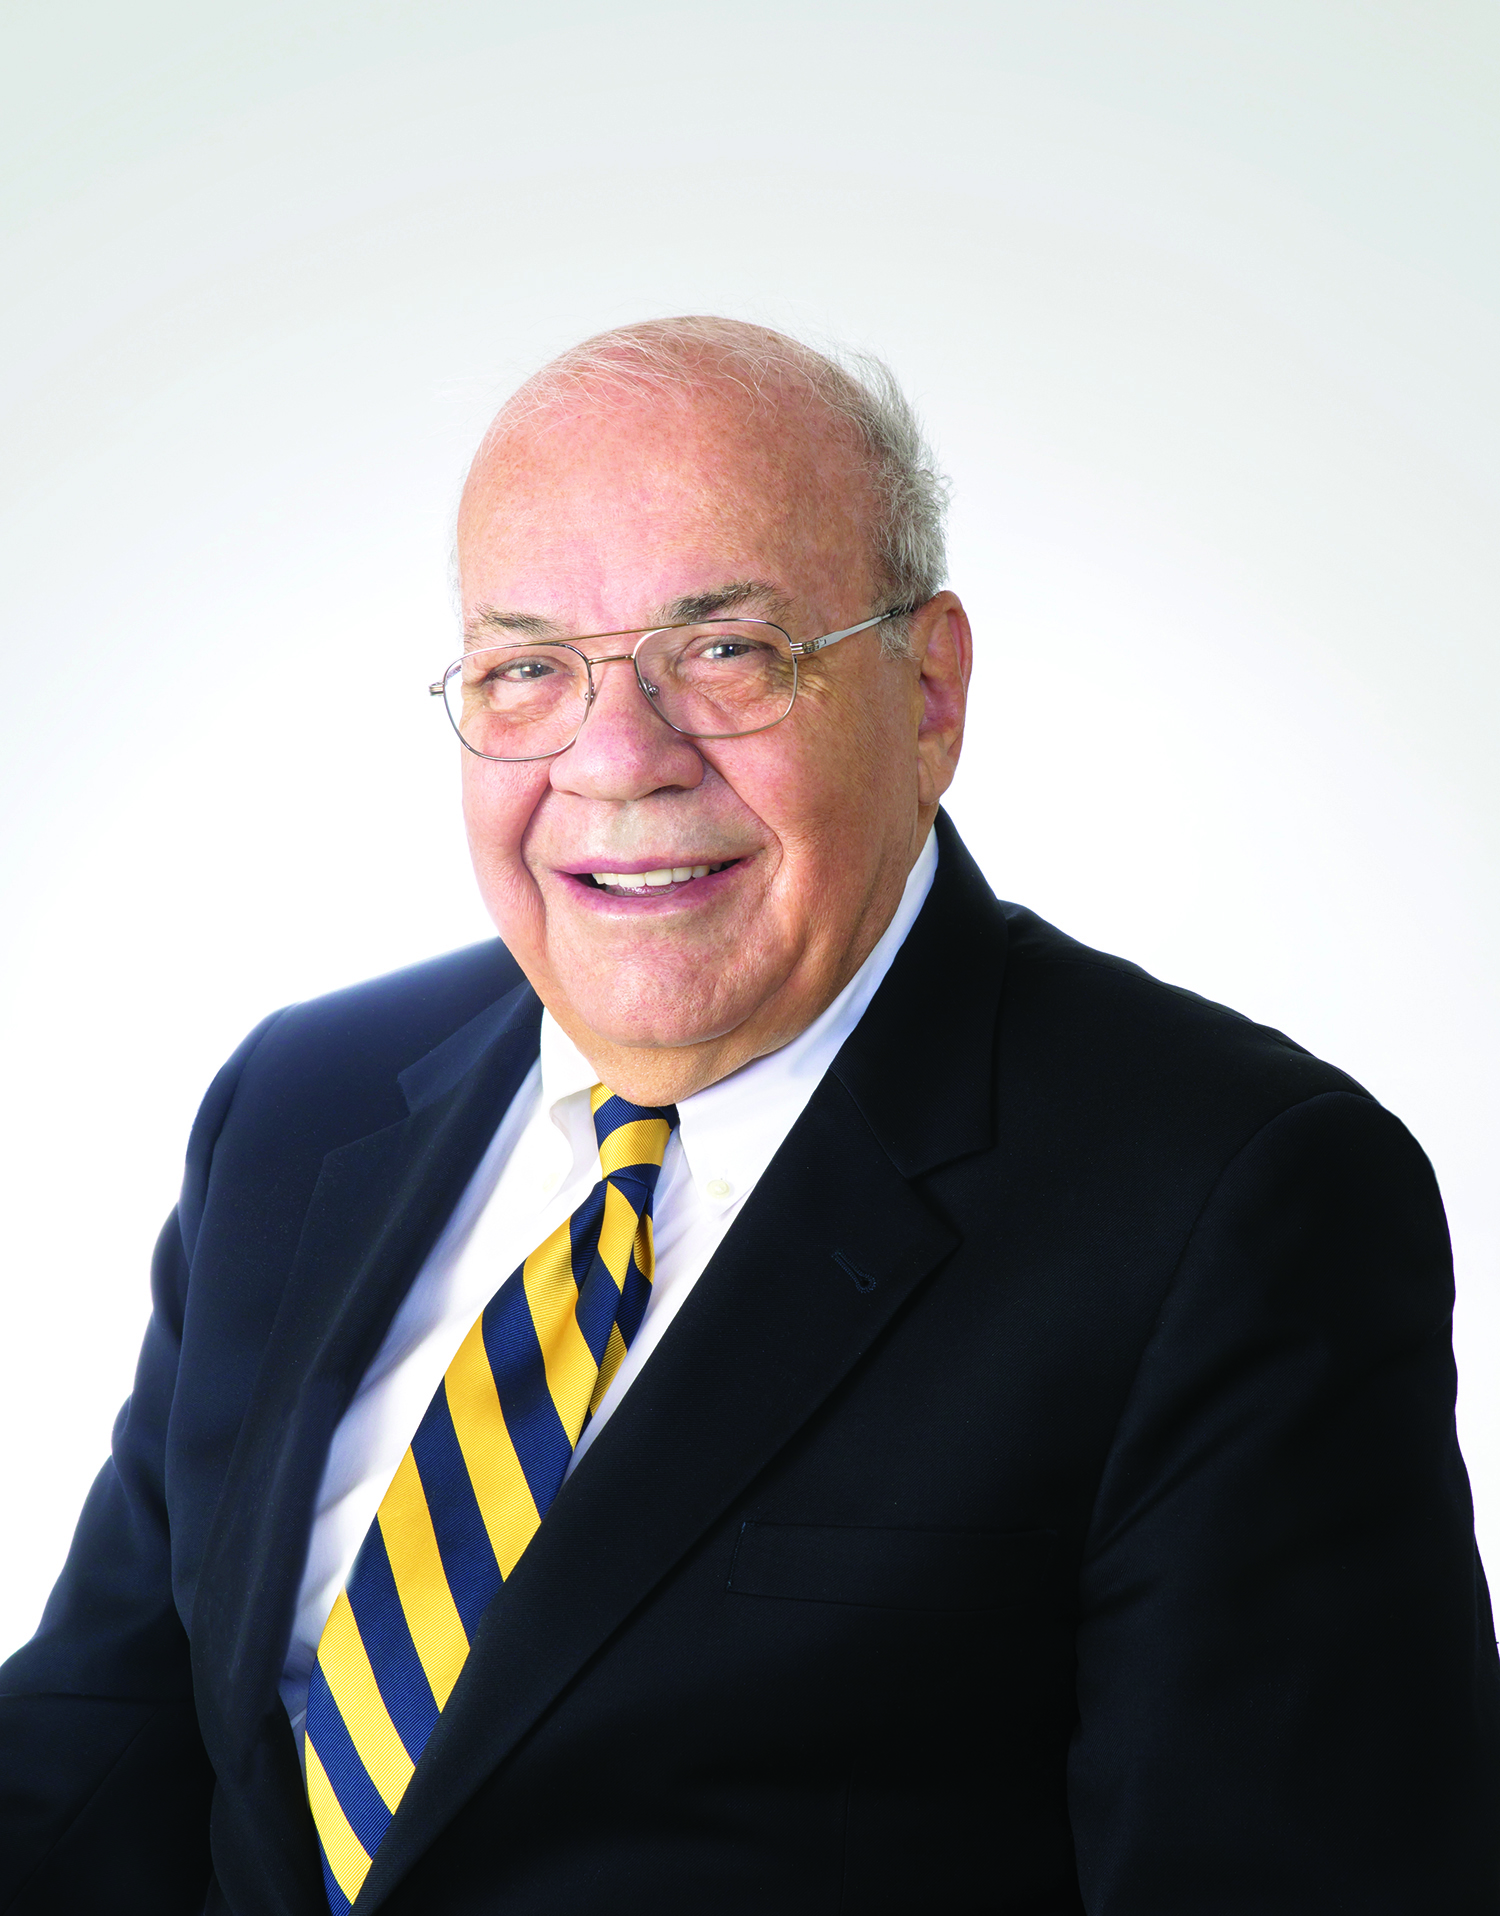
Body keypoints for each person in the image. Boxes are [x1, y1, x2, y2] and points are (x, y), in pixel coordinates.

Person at [1, 316, 1496, 1916]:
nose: (618, 759)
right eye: (526, 670)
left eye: (726, 651)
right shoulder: (302, 1109)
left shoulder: (1229, 1204)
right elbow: (107, 1738)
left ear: (928, 693)